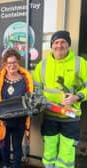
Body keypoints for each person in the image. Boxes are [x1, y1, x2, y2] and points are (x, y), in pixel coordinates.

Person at [33, 30, 87, 168]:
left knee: (67, 153)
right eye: (56, 42)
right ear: (52, 45)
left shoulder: (80, 63)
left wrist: (78, 97)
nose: (59, 45)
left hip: (70, 117)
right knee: (49, 151)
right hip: (50, 116)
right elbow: (36, 90)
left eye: (63, 42)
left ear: (68, 44)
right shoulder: (42, 65)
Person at [0, 48, 33, 168]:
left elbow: (30, 97)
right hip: (3, 120)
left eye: (14, 62)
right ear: (5, 64)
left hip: (19, 120)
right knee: (4, 146)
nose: (12, 65)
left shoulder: (25, 80)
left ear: (18, 62)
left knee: (17, 146)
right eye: (9, 63)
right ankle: (5, 165)